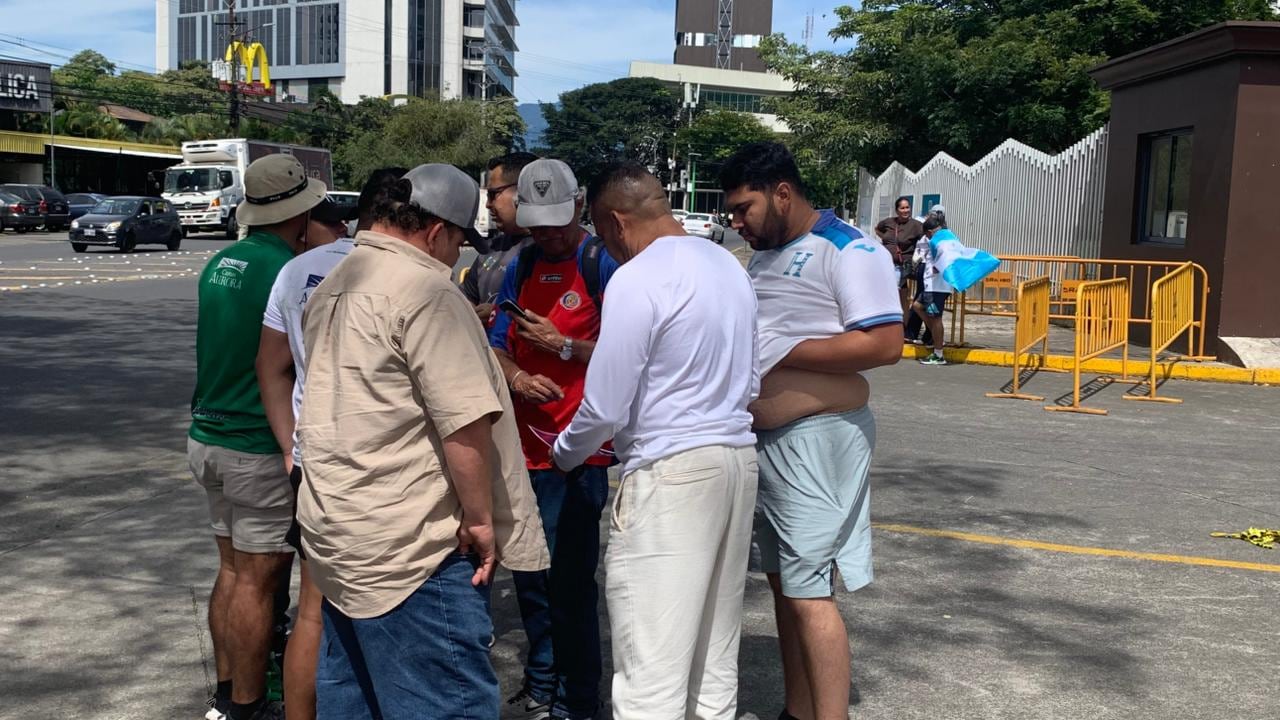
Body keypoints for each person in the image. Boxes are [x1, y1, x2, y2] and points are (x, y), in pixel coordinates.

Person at [295, 164, 549, 719]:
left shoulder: (333, 284)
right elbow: (463, 421)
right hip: (414, 548)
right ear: (436, 231)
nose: (455, 256)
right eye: (457, 243)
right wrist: (481, 520)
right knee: (444, 703)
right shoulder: (427, 292)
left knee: (355, 699)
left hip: (340, 532)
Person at [552, 162, 759, 719]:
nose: (607, 248)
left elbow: (605, 406)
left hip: (671, 473)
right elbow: (752, 381)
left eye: (602, 235)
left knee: (651, 669)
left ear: (616, 223)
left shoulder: (637, 277)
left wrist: (564, 453)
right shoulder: (728, 265)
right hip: (736, 462)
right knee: (713, 660)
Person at [721, 142, 902, 720]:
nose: (736, 222)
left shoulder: (849, 249)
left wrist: (785, 348)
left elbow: (885, 343)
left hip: (817, 439)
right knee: (783, 586)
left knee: (808, 591)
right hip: (770, 443)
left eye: (744, 208)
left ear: (782, 193)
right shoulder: (765, 254)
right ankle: (798, 710)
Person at [255, 169, 402, 720]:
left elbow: (271, 366)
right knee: (394, 606)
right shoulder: (406, 271)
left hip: (313, 461)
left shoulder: (297, 270)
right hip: (385, 469)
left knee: (315, 609)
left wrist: (288, 446)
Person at [188, 154, 328, 720]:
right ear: (301, 212)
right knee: (258, 583)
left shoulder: (221, 261)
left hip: (207, 435)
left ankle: (227, 695)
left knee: (231, 570)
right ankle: (249, 705)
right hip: (256, 443)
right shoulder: (287, 270)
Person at [489, 158, 618, 720]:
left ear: (579, 207)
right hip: (524, 450)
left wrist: (564, 346)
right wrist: (518, 377)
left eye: (557, 223)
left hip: (578, 454)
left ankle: (578, 699)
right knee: (530, 578)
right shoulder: (520, 264)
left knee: (570, 585)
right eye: (536, 225)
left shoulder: (601, 263)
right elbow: (496, 346)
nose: (548, 235)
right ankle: (542, 683)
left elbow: (631, 354)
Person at [462, 152, 539, 324]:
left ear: (522, 191)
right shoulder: (490, 248)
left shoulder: (552, 250)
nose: (488, 204)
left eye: (493, 194)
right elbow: (466, 297)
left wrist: (499, 315)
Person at [912, 214, 953, 365]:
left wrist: (938, 266)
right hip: (931, 285)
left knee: (936, 318)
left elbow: (947, 256)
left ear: (929, 232)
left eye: (927, 235)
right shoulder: (943, 238)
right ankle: (937, 339)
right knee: (917, 306)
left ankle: (938, 354)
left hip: (936, 286)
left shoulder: (941, 241)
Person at [874, 195, 924, 313]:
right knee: (900, 296)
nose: (906, 210)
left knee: (892, 295)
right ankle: (901, 321)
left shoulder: (916, 225)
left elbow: (926, 241)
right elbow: (877, 229)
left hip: (901, 266)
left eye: (907, 207)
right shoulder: (888, 222)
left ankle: (896, 320)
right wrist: (887, 239)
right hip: (885, 264)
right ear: (897, 210)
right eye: (902, 208)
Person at [904, 205, 945, 346]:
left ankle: (932, 338)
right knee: (920, 304)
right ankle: (926, 335)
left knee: (929, 309)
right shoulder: (926, 228)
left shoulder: (940, 234)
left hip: (934, 275)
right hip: (926, 270)